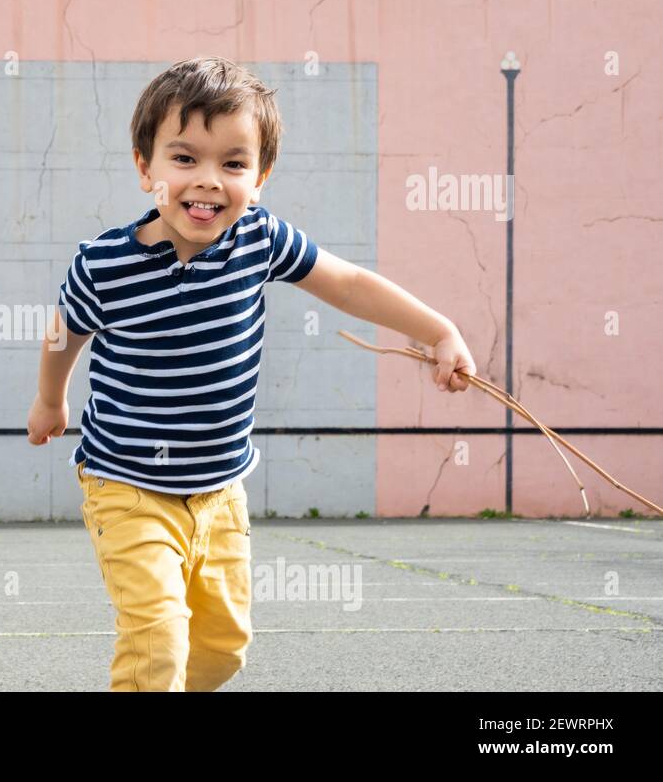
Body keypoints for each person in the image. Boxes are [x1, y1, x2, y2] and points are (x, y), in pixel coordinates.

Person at [26, 56, 476, 692]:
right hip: (126, 485)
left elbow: (347, 284)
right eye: (184, 159)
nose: (208, 181)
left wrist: (437, 330)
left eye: (233, 164)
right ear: (144, 167)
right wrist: (50, 400)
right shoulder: (105, 264)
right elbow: (63, 330)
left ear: (260, 177)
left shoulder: (261, 241)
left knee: (222, 650)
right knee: (157, 637)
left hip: (219, 492)